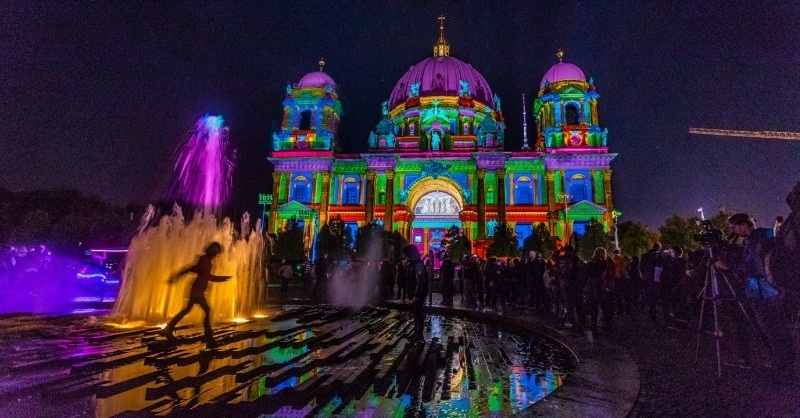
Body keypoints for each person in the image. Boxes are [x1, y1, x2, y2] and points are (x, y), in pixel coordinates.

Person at [715, 213, 795, 374]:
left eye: (734, 227)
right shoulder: (767, 234)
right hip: (773, 288)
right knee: (780, 327)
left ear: (744, 225)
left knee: (771, 329)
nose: (733, 230)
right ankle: (786, 361)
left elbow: (751, 268)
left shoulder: (754, 242)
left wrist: (728, 267)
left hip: (761, 291)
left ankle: (782, 366)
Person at [162, 242, 232, 349]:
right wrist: (177, 276)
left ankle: (168, 329)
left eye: (217, 250)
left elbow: (200, 273)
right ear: (210, 250)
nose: (215, 253)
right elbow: (199, 272)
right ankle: (209, 339)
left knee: (188, 310)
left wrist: (177, 276)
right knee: (206, 310)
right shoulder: (204, 260)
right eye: (214, 250)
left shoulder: (207, 260)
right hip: (197, 290)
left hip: (198, 290)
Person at [403, 244, 429, 343]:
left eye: (407, 255)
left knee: (418, 315)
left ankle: (419, 335)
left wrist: (416, 295)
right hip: (415, 294)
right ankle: (416, 333)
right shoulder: (414, 264)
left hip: (418, 296)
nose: (406, 257)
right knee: (415, 314)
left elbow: (420, 280)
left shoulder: (418, 265)